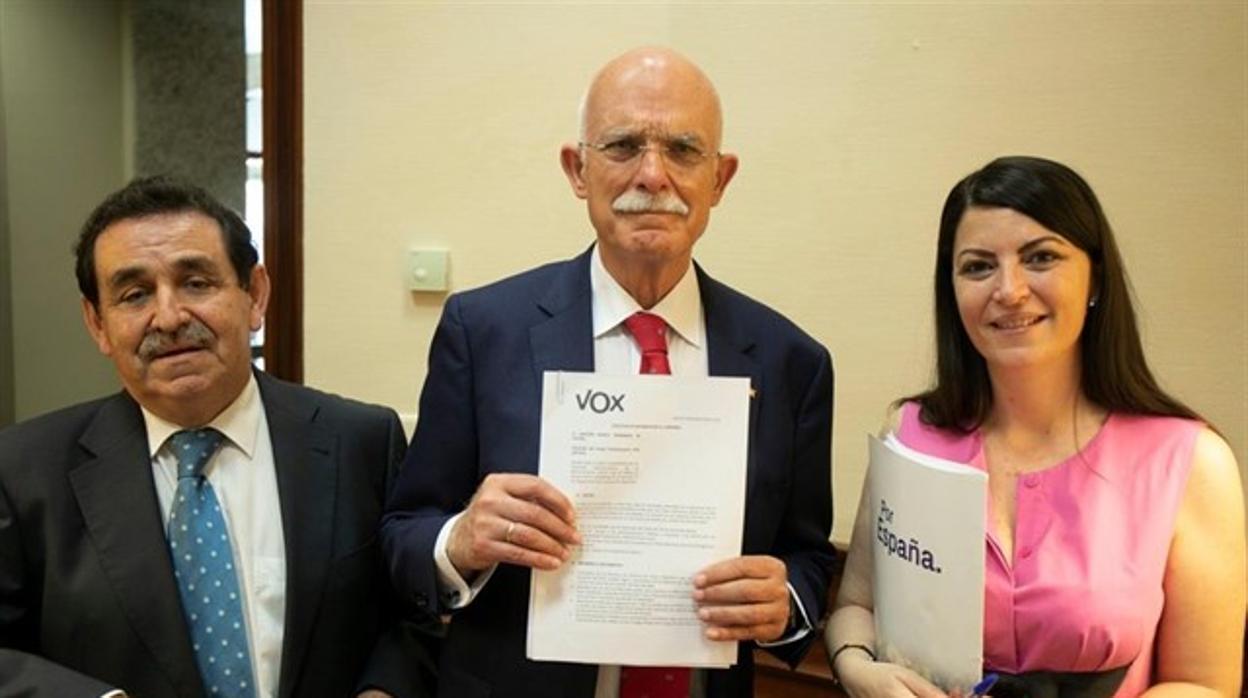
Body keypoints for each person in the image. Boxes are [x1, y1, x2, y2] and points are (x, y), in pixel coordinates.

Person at [380, 46, 836, 697]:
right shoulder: (483, 331)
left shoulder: (792, 361)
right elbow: (403, 537)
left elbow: (809, 559)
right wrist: (461, 540)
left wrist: (783, 601)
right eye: (622, 146)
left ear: (721, 179)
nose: (652, 176)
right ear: (578, 169)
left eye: (683, 151)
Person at [825, 156, 1245, 697]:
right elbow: (856, 605)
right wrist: (858, 666)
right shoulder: (911, 435)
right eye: (978, 266)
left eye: (1040, 257)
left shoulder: (1190, 462)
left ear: (1095, 276)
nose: (1010, 290)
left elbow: (1203, 684)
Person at [0, 177, 435, 698]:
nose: (169, 316)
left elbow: (417, 616)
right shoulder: (24, 470)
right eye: (135, 295)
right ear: (97, 323)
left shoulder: (361, 441)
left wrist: (384, 691)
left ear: (254, 295)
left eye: (196, 283)